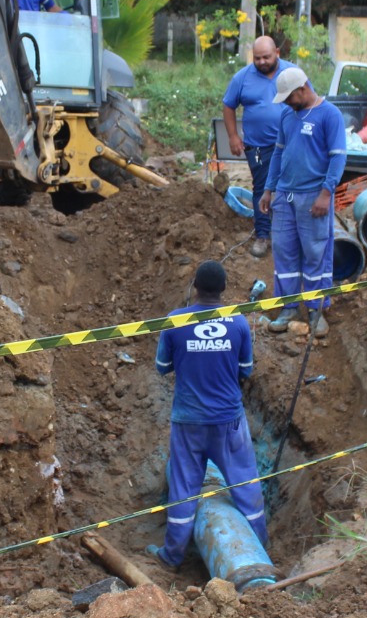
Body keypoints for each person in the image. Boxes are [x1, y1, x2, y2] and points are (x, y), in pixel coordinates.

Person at [147, 260, 268, 569]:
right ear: (223, 289)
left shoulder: (175, 321)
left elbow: (162, 368)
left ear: (195, 287)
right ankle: (261, 548)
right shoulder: (238, 321)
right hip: (228, 420)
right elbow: (246, 370)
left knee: (184, 488)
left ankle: (172, 555)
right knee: (245, 483)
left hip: (188, 421)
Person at [260, 67, 346, 339]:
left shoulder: (329, 115)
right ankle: (288, 307)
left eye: (289, 97)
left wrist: (326, 193)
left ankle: (315, 309)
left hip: (313, 197)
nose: (286, 103)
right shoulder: (288, 114)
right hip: (285, 195)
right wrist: (268, 189)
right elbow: (278, 154)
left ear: (302, 89)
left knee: (315, 252)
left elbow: (338, 157)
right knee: (285, 251)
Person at [221, 36, 296, 257]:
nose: (262, 62)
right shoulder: (242, 78)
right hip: (258, 147)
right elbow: (228, 106)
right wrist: (233, 136)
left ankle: (290, 235)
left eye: (266, 57)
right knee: (262, 189)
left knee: (291, 188)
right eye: (257, 58)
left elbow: (309, 101)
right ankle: (263, 235)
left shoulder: (291, 74)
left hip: (290, 144)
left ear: (278, 53)